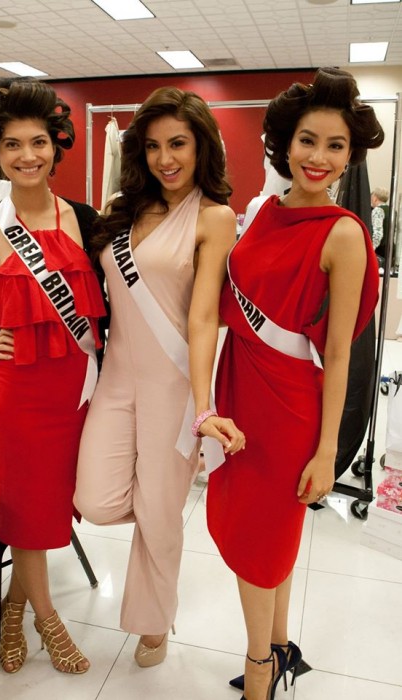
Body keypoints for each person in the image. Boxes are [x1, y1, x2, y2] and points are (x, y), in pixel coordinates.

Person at [192, 67, 384, 700]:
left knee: (260, 539)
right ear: (286, 144)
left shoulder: (344, 234)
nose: (319, 157)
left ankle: (258, 670)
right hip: (240, 386)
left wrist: (328, 452)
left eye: (335, 145)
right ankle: (277, 646)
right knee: (266, 536)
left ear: (350, 156)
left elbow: (340, 353)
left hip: (289, 407)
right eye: (308, 140)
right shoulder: (263, 213)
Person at [0, 77, 107, 674]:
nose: (27, 155)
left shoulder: (87, 220)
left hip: (82, 394)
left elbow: (116, 308)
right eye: (12, 144)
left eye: (38, 142)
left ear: (56, 147)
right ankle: (47, 621)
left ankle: (14, 606)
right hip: (20, 400)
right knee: (28, 513)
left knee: (51, 509)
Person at [74, 86, 245, 667]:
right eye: (152, 146)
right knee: (96, 501)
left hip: (174, 385)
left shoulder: (215, 217)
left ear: (202, 148)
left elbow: (203, 318)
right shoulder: (123, 207)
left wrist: (204, 405)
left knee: (160, 514)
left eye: (178, 144)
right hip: (117, 380)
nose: (165, 159)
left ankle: (153, 620)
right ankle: (157, 507)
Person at [371, 186, 390, 261]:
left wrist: (371, 249)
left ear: (375, 198)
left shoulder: (378, 210)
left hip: (380, 250)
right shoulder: (391, 210)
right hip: (389, 248)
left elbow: (378, 233)